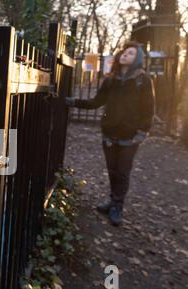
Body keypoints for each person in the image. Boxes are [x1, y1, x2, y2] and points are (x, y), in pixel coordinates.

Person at [66, 41, 156, 226]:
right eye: (124, 52)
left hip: (130, 137)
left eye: (131, 53)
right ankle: (112, 200)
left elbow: (149, 109)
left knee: (122, 172)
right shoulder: (111, 79)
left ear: (137, 58)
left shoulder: (143, 80)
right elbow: (96, 102)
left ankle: (117, 206)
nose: (125, 55)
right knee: (113, 171)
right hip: (110, 134)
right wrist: (73, 102)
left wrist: (142, 132)